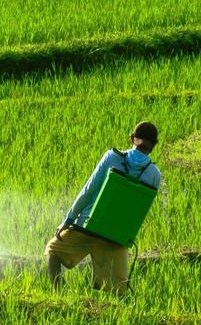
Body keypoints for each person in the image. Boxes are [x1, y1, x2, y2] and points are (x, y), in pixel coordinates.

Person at [46, 121, 164, 293]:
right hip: (117, 236)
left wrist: (68, 220)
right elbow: (140, 210)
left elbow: (88, 190)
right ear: (153, 146)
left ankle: (58, 295)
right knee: (118, 291)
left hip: (90, 225)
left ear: (132, 138)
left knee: (53, 251)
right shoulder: (155, 174)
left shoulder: (113, 157)